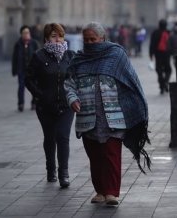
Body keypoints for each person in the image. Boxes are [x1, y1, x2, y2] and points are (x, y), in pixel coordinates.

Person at [64, 22, 151, 206]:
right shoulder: (78, 60)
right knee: (95, 156)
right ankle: (100, 191)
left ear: (102, 38)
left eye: (92, 39)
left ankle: (111, 192)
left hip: (113, 116)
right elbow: (69, 84)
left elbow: (130, 81)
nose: (89, 43)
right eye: (86, 39)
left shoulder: (116, 55)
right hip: (88, 117)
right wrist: (72, 99)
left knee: (111, 154)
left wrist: (133, 106)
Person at [25, 23, 75, 188]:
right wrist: (40, 95)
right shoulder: (39, 56)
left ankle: (64, 173)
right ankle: (50, 169)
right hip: (45, 107)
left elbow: (77, 78)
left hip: (66, 106)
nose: (58, 40)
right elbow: (29, 79)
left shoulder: (70, 56)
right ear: (46, 38)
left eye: (60, 36)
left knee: (63, 137)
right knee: (50, 138)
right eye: (54, 36)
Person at [12, 25, 39, 112]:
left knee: (34, 87)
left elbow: (38, 56)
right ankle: (21, 103)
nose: (26, 34)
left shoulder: (34, 43)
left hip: (33, 70)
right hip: (22, 70)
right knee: (21, 87)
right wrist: (14, 70)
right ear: (21, 34)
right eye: (24, 33)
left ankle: (34, 103)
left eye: (27, 32)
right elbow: (14, 58)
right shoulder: (18, 44)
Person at [149, 19, 172, 94]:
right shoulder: (168, 32)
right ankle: (166, 81)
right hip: (167, 54)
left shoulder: (155, 33)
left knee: (159, 70)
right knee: (168, 70)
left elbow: (152, 44)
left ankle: (161, 86)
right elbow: (172, 43)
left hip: (158, 54)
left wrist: (151, 54)